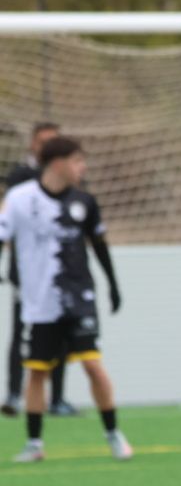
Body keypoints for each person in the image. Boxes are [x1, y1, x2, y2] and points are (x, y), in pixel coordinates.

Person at [0, 136, 129, 462]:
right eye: (77, 161)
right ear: (58, 163)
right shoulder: (20, 198)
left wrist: (113, 285)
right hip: (40, 301)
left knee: (92, 364)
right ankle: (34, 444)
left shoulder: (84, 201)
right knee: (37, 372)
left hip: (79, 296)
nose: (82, 167)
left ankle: (114, 434)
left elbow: (99, 245)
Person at [3, 122, 72, 418]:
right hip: (27, 275)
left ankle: (57, 398)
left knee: (61, 336)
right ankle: (14, 395)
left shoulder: (67, 179)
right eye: (43, 141)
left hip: (61, 275)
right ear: (33, 144)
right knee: (22, 334)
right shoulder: (20, 177)